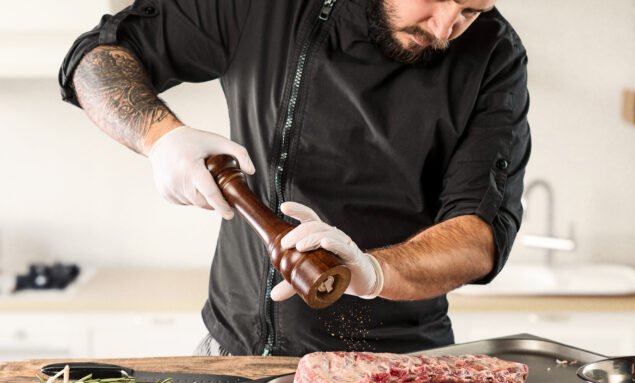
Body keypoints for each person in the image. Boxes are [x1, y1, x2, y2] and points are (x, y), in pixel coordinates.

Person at [59, 0, 531, 357]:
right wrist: (159, 137)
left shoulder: (493, 53)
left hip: (395, 362)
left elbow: (479, 234)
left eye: (470, 9)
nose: (446, 28)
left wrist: (373, 272)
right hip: (234, 355)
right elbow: (97, 58)